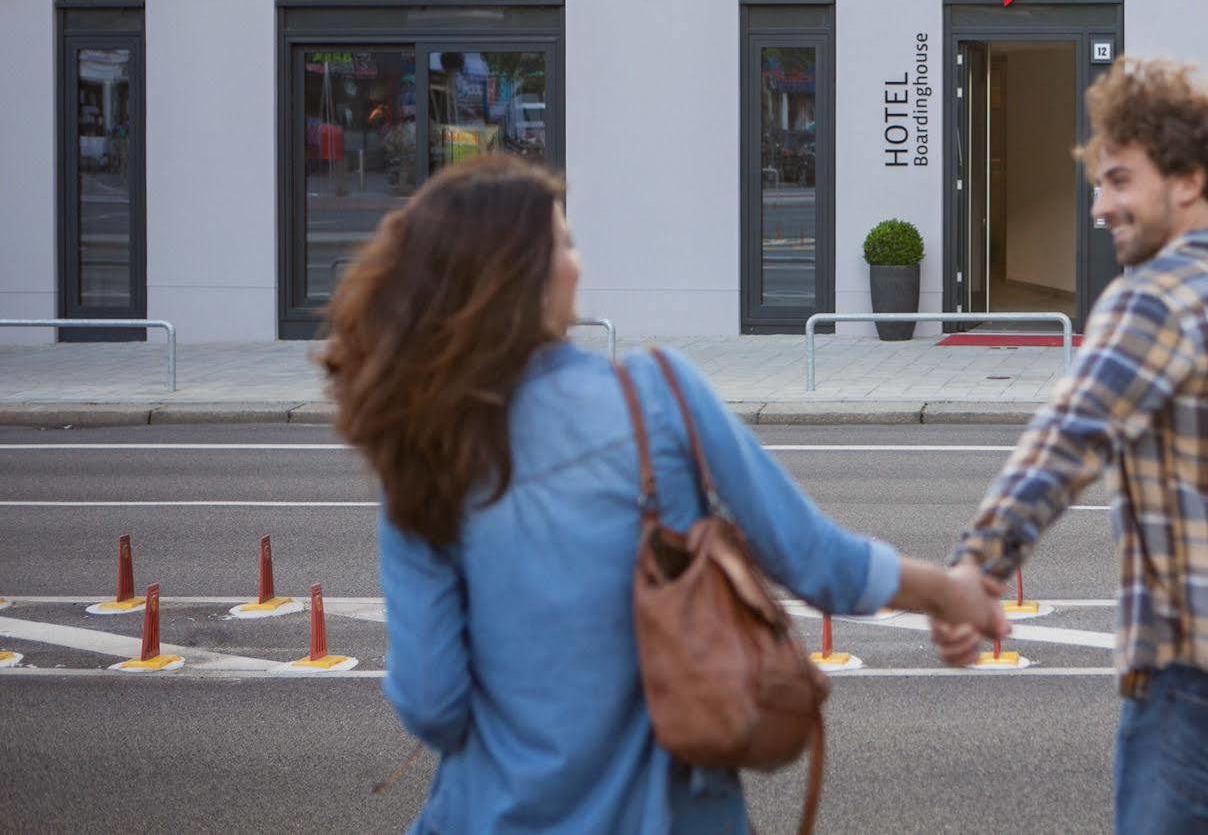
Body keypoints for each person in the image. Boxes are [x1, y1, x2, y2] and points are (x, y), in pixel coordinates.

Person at [321, 155, 1006, 834]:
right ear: (518, 272)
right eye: (564, 243)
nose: (577, 263)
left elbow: (431, 703)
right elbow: (814, 560)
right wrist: (951, 593)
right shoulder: (657, 394)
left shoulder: (422, 449)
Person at [933, 57, 1208, 834]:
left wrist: (977, 569)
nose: (1099, 204)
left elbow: (1066, 440)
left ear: (1188, 180)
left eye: (1118, 180)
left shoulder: (1157, 297)